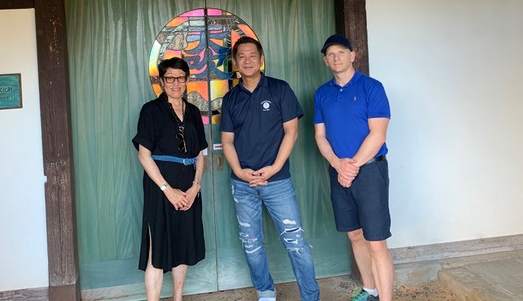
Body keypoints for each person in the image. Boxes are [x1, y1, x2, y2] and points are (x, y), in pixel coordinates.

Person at [220, 36, 320, 301]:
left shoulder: (279, 89)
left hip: (278, 182)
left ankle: (310, 296)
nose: (247, 60)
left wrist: (275, 167)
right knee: (251, 244)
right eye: (242, 56)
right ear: (235, 62)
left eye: (253, 55)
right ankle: (265, 292)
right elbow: (227, 142)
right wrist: (240, 172)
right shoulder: (230, 98)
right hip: (243, 184)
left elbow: (292, 132)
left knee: (295, 242)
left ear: (261, 59)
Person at [313, 34, 393, 301]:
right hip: (339, 172)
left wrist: (353, 165)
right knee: (355, 235)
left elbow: (378, 134)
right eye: (330, 54)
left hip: (370, 171)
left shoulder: (372, 87)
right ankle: (370, 291)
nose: (336, 57)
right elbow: (320, 136)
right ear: (325, 60)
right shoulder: (322, 93)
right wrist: (338, 165)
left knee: (376, 241)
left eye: (341, 52)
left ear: (352, 55)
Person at [132, 57, 207, 301]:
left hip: (189, 187)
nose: (176, 83)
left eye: (181, 78)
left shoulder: (194, 111)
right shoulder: (150, 110)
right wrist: (167, 189)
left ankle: (178, 298)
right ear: (162, 81)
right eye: (170, 78)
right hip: (160, 188)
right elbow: (144, 156)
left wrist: (196, 186)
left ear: (187, 80)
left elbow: (200, 154)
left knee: (183, 244)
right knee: (158, 247)